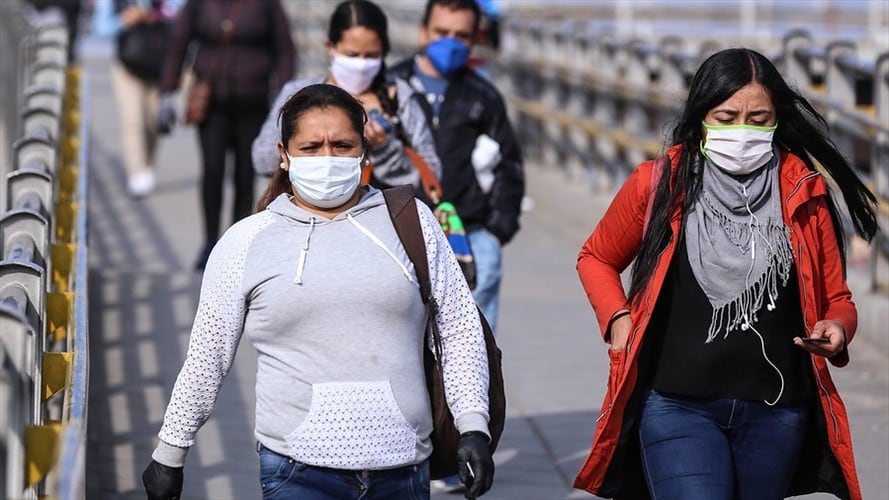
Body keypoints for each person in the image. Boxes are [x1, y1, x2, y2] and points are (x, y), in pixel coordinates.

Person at [141, 83, 495, 500]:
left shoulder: (412, 222)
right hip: (296, 472)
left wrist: (474, 426)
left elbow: (459, 329)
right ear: (284, 154)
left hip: (404, 469)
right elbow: (208, 355)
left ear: (364, 151)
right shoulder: (246, 241)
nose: (327, 158)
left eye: (342, 145)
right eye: (310, 147)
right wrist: (170, 453)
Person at [574, 48, 877, 500]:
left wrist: (837, 328)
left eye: (758, 119)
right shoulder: (660, 183)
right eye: (726, 117)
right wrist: (618, 319)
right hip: (676, 406)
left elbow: (838, 298)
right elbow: (596, 257)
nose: (742, 131)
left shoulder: (803, 191)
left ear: (776, 121)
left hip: (777, 413)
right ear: (702, 117)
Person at [389, 0, 524, 336]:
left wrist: (495, 232)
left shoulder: (484, 96)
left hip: (471, 237)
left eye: (461, 35)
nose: (450, 42)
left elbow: (510, 167)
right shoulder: (390, 88)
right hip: (399, 236)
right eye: (441, 32)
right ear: (423, 32)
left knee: (475, 346)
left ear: (474, 39)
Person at [251, 0, 442, 203]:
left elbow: (431, 177)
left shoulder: (399, 98)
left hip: (382, 212)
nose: (361, 64)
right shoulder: (298, 94)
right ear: (330, 47)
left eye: (371, 55)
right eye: (352, 54)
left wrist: (384, 148)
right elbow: (262, 160)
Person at [157, 0, 295, 270]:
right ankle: (210, 241)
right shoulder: (199, 5)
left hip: (254, 102)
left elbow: (284, 49)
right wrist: (167, 90)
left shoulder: (266, 5)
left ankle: (237, 243)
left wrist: (285, 96)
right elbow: (178, 42)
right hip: (212, 104)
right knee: (212, 171)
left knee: (245, 176)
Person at [109, 0, 176, 197]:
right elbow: (103, 25)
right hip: (129, 65)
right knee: (133, 120)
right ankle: (137, 172)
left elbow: (183, 17)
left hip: (159, 66)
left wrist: (158, 15)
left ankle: (147, 165)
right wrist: (129, 18)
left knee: (153, 122)